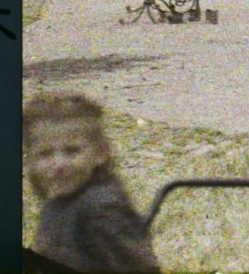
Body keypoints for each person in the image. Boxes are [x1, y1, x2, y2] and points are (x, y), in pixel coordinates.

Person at [26, 92, 159, 273]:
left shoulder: (101, 208)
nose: (58, 164)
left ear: (100, 153)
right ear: (30, 159)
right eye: (45, 154)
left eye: (72, 151)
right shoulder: (58, 203)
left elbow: (139, 267)